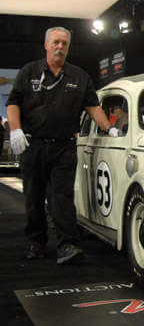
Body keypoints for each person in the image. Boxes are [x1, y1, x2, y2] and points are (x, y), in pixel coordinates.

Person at [5, 26, 117, 264]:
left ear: (68, 47)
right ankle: (37, 242)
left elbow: (93, 107)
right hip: (32, 145)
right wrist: (15, 129)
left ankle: (68, 244)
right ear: (46, 45)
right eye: (55, 42)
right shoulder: (29, 72)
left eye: (64, 44)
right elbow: (13, 102)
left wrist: (109, 128)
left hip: (64, 147)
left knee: (62, 197)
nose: (60, 47)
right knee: (33, 198)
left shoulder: (79, 76)